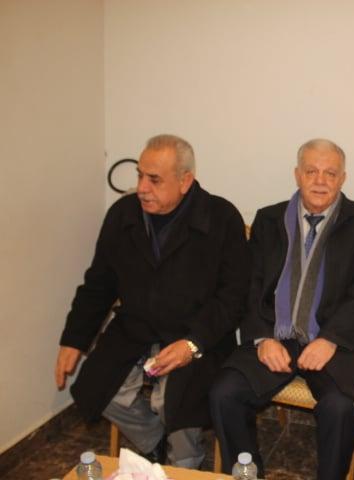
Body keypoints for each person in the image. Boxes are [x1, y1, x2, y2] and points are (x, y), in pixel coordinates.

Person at [55, 134, 251, 468]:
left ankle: (184, 463)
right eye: (140, 175)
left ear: (185, 181)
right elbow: (99, 283)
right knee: (97, 387)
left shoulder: (221, 217)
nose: (142, 188)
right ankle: (154, 441)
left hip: (197, 333)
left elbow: (234, 296)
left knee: (175, 403)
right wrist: (74, 339)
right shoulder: (123, 215)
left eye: (154, 179)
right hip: (136, 328)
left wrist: (192, 343)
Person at [210, 138, 354, 479]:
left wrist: (330, 339)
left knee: (341, 407)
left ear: (343, 178)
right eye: (311, 171)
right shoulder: (268, 219)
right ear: (297, 174)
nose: (320, 180)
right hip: (277, 334)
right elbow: (251, 286)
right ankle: (248, 475)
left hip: (331, 341)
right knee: (224, 394)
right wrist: (262, 339)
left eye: (330, 173)